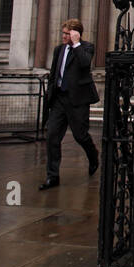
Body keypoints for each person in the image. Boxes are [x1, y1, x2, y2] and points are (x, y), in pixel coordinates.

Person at [40, 18, 99, 189]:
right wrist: (51, 93)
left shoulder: (86, 47)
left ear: (76, 34)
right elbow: (53, 73)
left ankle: (93, 155)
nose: (64, 36)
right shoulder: (59, 50)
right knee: (52, 136)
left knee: (80, 135)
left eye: (67, 33)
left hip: (77, 100)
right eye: (63, 33)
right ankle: (52, 176)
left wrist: (76, 44)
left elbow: (85, 63)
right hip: (59, 99)